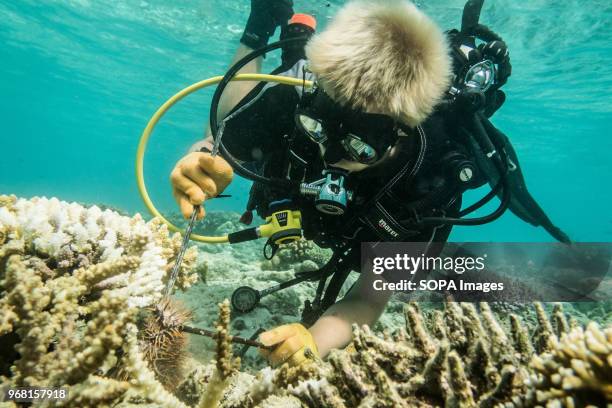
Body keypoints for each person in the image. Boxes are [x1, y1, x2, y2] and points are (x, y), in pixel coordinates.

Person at [170, 0, 568, 367]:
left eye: (359, 147)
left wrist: (312, 340)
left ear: (402, 133)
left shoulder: (430, 181)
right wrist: (200, 159)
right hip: (293, 113)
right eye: (320, 129)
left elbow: (368, 299)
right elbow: (218, 143)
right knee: (226, 113)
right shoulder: (295, 99)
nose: (330, 156)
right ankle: (261, 28)